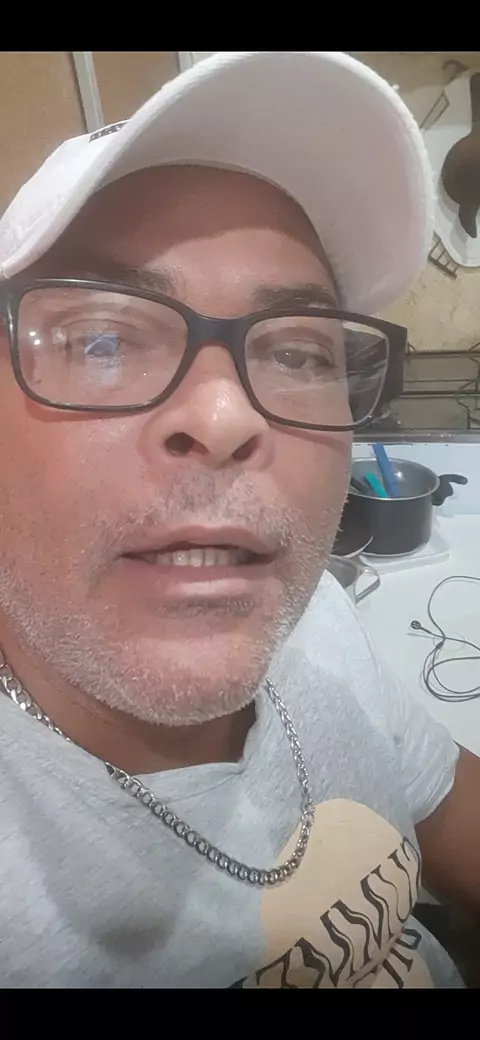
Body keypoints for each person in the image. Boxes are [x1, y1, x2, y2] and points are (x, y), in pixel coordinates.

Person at [0, 51, 478, 990]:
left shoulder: (314, 620)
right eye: (103, 338)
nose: (225, 416)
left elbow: (451, 802)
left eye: (297, 352)